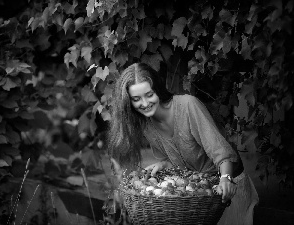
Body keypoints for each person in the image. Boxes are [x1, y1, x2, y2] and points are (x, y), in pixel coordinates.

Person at [108, 62, 259, 225]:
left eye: (149, 94)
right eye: (137, 99)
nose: (145, 103)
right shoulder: (146, 125)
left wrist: (226, 179)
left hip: (228, 189)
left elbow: (222, 154)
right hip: (200, 195)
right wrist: (166, 163)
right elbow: (183, 158)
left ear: (157, 89)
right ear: (129, 102)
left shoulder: (188, 106)